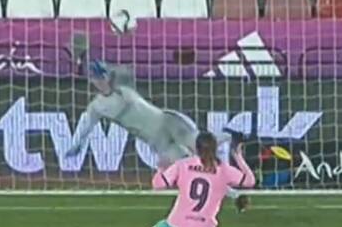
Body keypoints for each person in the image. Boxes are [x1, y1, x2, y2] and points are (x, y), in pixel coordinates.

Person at [67, 59, 250, 212]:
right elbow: (87, 124)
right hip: (157, 140)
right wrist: (77, 144)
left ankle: (229, 136)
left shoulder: (123, 91)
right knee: (193, 169)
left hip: (167, 121)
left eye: (103, 76)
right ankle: (235, 196)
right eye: (96, 78)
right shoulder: (97, 106)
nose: (100, 80)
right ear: (92, 80)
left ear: (108, 76)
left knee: (199, 146)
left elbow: (126, 74)